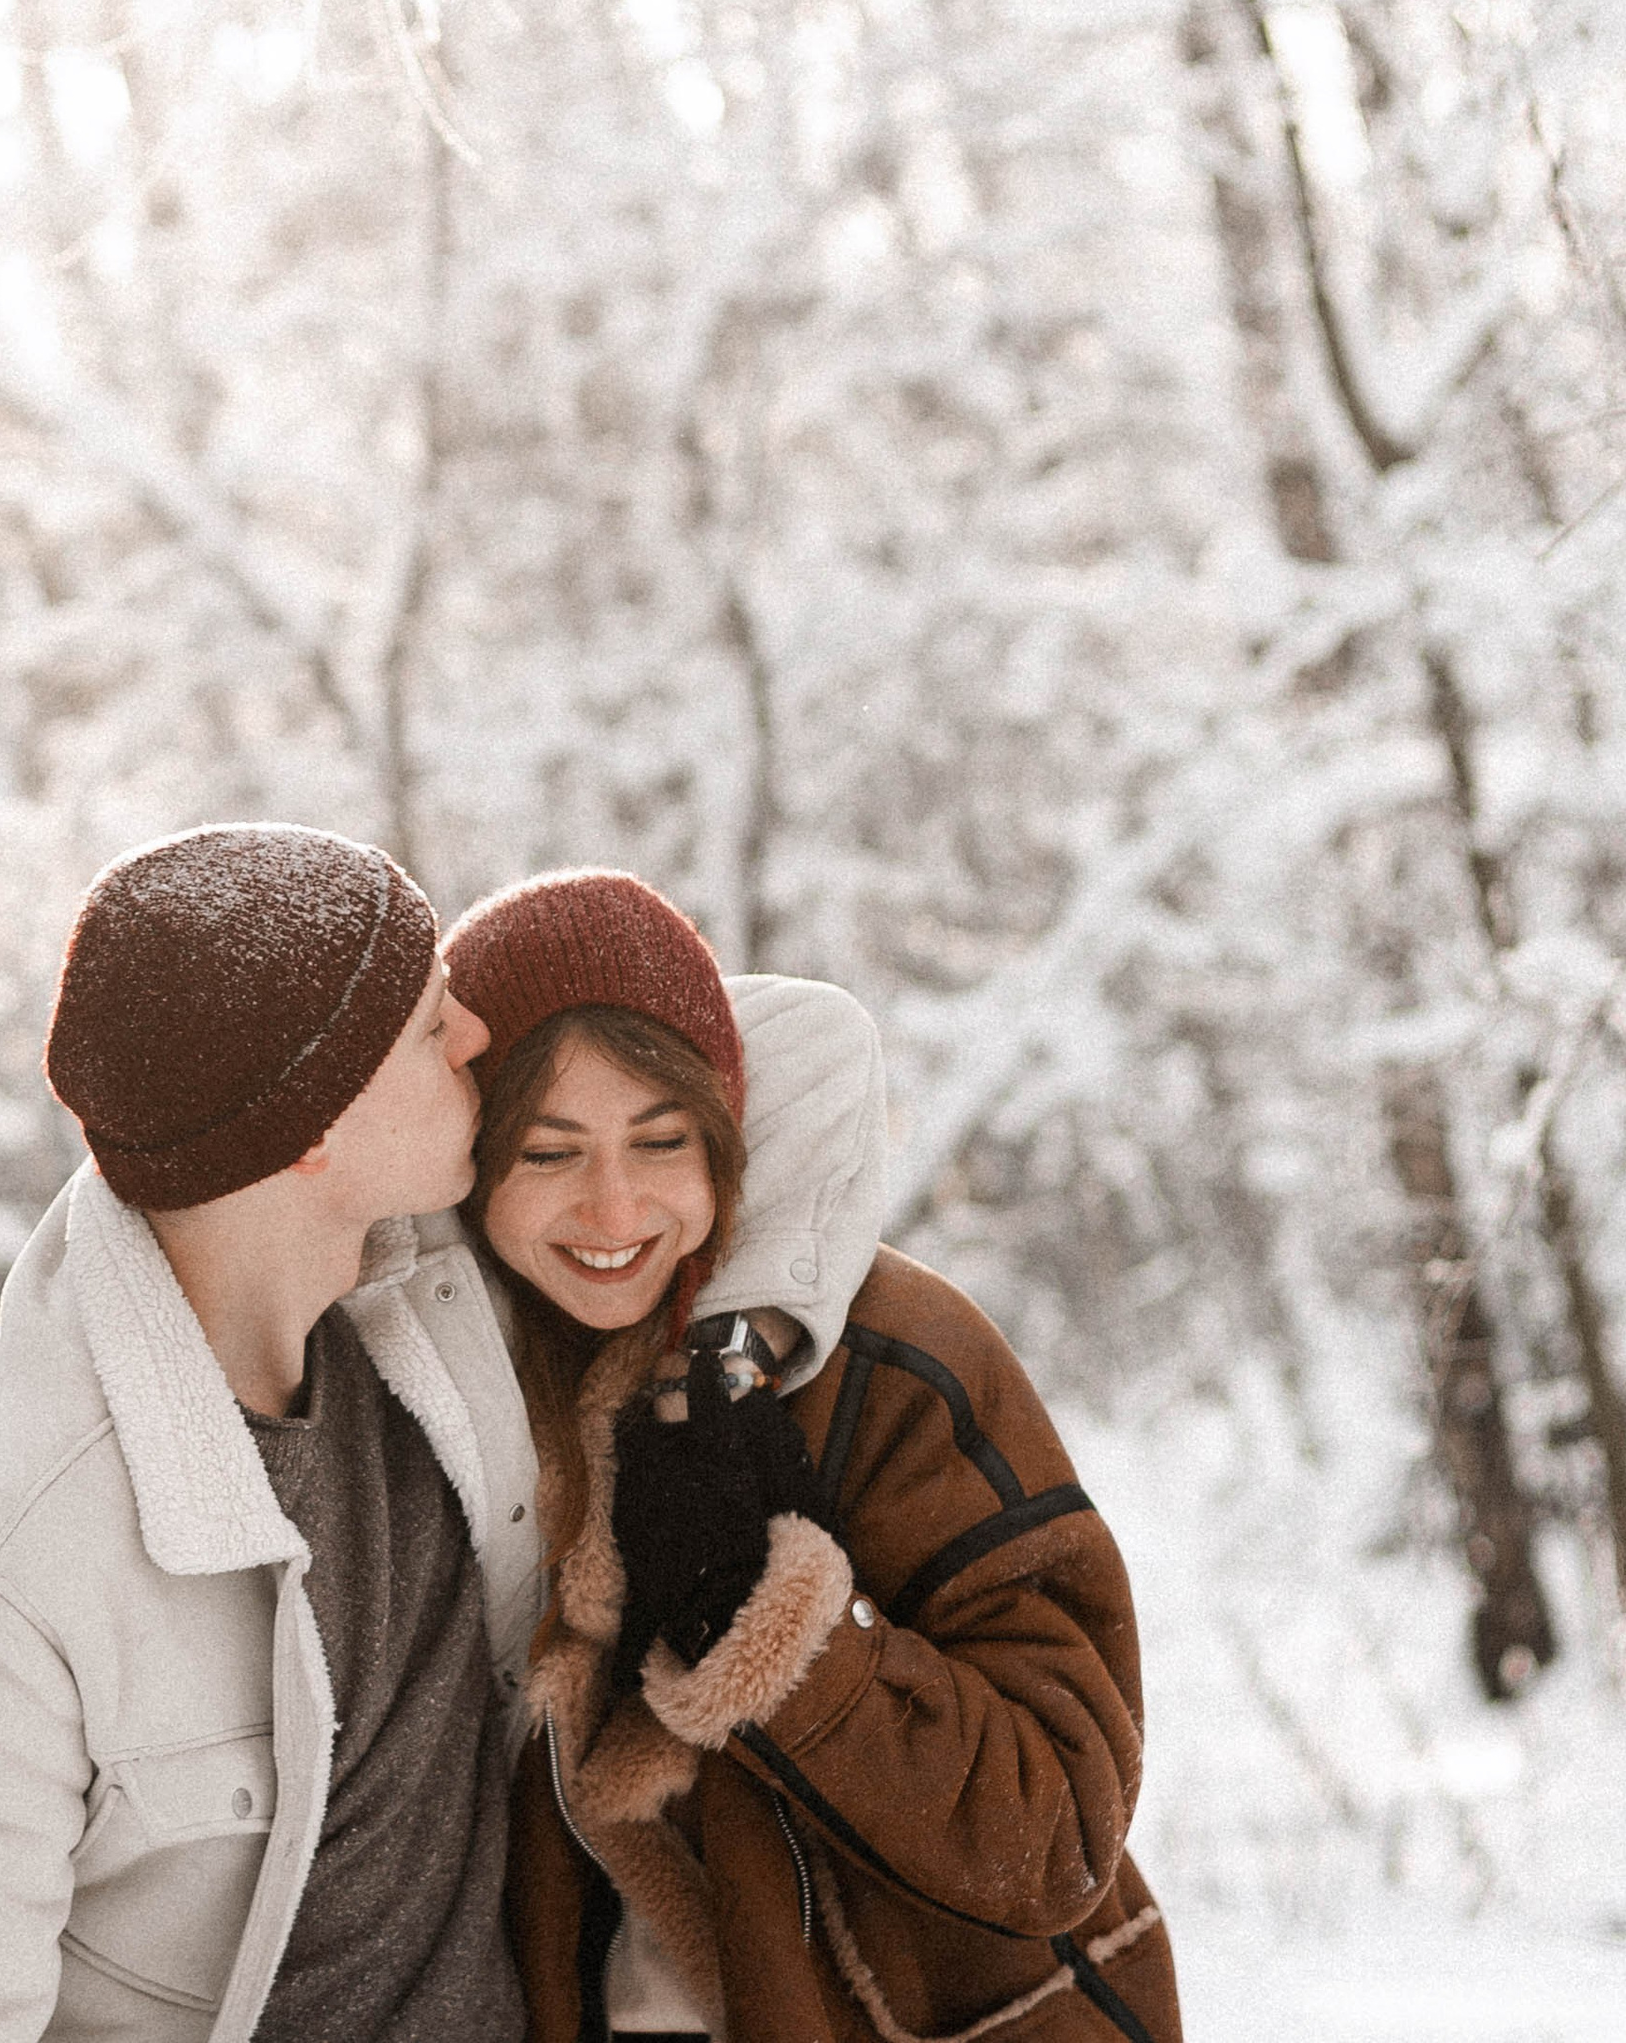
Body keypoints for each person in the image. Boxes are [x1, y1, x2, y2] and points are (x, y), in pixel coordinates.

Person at [0, 819, 546, 2043]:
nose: (476, 1037)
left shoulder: (436, 1300)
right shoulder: (0, 1553)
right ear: (308, 1124)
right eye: (428, 1026)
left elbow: (770, 1070)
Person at [446, 867, 1181, 2043]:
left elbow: (1059, 1835)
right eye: (548, 1153)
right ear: (470, 1164)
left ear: (723, 1137)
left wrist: (775, 1627)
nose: (614, 1207)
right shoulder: (455, 1396)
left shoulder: (887, 1361)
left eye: (661, 1140)